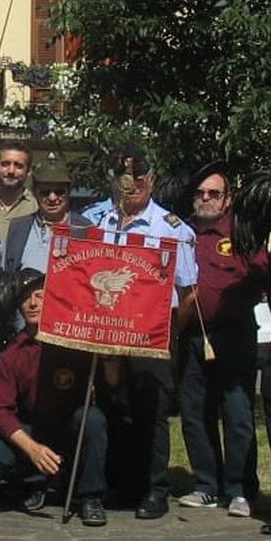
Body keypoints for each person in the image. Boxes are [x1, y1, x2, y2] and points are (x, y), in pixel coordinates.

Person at [96, 144, 197, 519]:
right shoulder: (102, 224)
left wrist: (169, 334)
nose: (132, 184)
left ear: (151, 179)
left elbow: (189, 294)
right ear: (112, 180)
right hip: (110, 335)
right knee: (115, 408)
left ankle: (155, 489)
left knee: (150, 413)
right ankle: (126, 483)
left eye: (139, 177)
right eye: (123, 177)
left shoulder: (171, 229)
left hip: (152, 337)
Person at [0, 269, 109, 526]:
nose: (33, 303)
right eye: (26, 298)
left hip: (69, 428)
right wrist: (32, 449)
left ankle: (90, 497)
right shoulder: (11, 354)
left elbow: (107, 388)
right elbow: (2, 411)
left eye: (40, 295)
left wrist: (108, 357)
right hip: (33, 430)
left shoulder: (74, 342)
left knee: (92, 418)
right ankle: (37, 482)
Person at [177, 162, 266, 517]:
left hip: (234, 333)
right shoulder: (182, 233)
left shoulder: (241, 232)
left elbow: (260, 272)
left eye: (214, 193)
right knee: (194, 412)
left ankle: (241, 489)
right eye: (200, 193)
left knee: (237, 412)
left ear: (228, 199)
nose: (206, 199)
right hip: (192, 334)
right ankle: (206, 485)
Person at [3, 152, 91, 271]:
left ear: (69, 192)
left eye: (59, 192)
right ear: (34, 192)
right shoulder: (18, 227)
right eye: (45, 192)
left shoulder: (85, 229)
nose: (52, 198)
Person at [0, 140, 38, 242]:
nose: (11, 171)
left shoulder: (36, 207)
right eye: (5, 164)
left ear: (29, 171)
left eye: (18, 166)